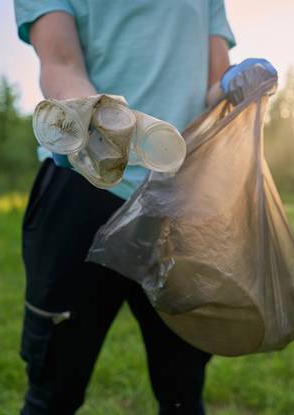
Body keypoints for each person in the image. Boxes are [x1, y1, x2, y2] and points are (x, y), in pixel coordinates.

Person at [13, 1, 239, 413]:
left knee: (183, 389)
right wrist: (89, 121)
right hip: (83, 191)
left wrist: (234, 84)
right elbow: (61, 63)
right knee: (54, 388)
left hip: (180, 199)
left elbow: (214, 82)